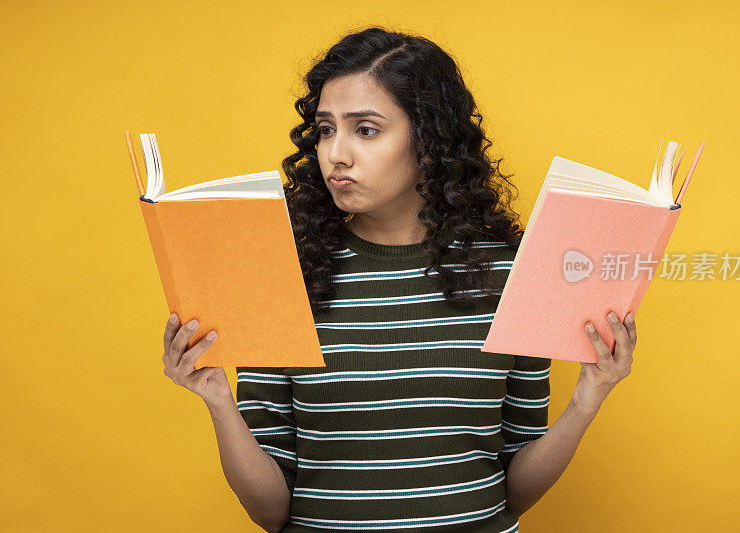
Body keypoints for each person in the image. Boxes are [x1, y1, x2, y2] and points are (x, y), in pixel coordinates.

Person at [160, 26, 637, 533]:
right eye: (325, 129)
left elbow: (514, 491)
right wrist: (217, 398)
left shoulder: (510, 274)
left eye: (365, 129)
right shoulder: (282, 279)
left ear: (429, 139)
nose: (335, 154)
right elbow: (269, 510)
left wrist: (589, 397)